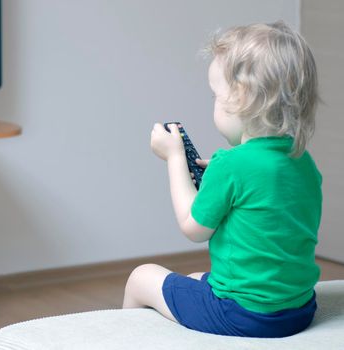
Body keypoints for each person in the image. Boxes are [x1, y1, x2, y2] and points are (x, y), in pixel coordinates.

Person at [122, 21, 322, 338]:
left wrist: (175, 158)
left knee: (141, 276)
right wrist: (216, 177)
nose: (213, 102)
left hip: (245, 315)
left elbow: (193, 228)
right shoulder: (302, 161)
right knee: (194, 276)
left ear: (240, 99)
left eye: (215, 95)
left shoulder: (230, 165)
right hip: (297, 309)